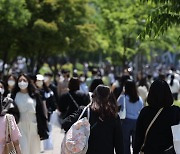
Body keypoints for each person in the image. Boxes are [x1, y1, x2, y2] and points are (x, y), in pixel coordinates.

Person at [62, 85, 124, 154]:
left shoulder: (85, 111)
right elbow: (119, 143)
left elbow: (65, 124)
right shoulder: (114, 116)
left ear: (93, 96)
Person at [134, 79, 180, 154]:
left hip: (150, 151)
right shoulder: (175, 111)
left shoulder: (145, 112)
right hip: (170, 151)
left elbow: (138, 137)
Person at [11, 74, 48, 154]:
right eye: (20, 80)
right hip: (20, 127)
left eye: (24, 80)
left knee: (35, 150)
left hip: (34, 127)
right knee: (23, 149)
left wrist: (43, 128)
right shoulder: (14, 96)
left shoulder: (35, 95)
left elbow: (41, 113)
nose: (22, 82)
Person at [117, 79, 143, 154]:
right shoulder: (139, 99)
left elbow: (116, 104)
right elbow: (141, 109)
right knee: (136, 143)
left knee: (125, 142)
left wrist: (122, 92)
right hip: (136, 121)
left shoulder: (123, 98)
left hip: (126, 121)